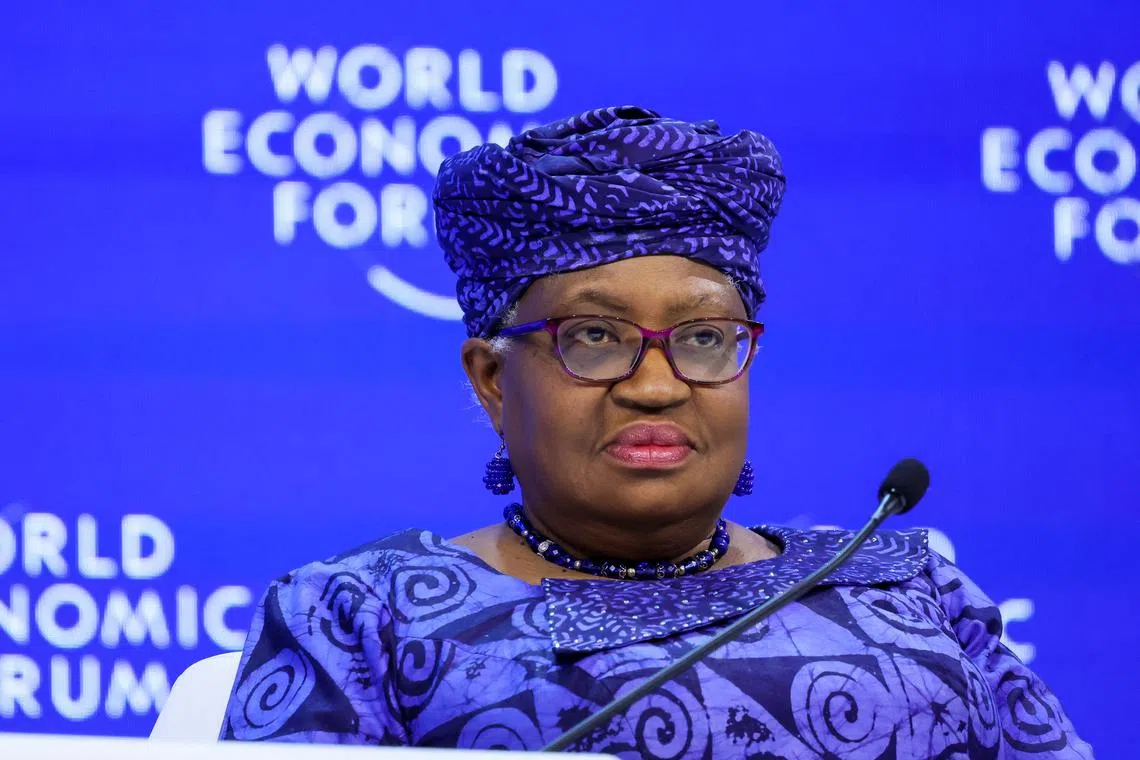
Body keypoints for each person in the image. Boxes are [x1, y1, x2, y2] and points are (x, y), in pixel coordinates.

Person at [220, 106, 1092, 758]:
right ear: (492, 380)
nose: (656, 385)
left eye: (704, 338)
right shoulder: (365, 616)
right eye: (595, 337)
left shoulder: (904, 583)